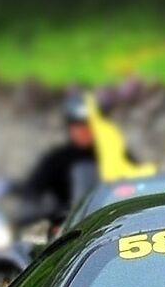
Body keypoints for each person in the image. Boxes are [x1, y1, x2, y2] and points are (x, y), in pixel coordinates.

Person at [13, 94, 101, 227]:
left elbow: (133, 181)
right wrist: (47, 218)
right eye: (78, 126)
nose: (84, 131)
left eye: (89, 125)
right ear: (70, 127)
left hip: (110, 224)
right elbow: (33, 190)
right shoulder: (56, 160)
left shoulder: (113, 154)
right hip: (69, 228)